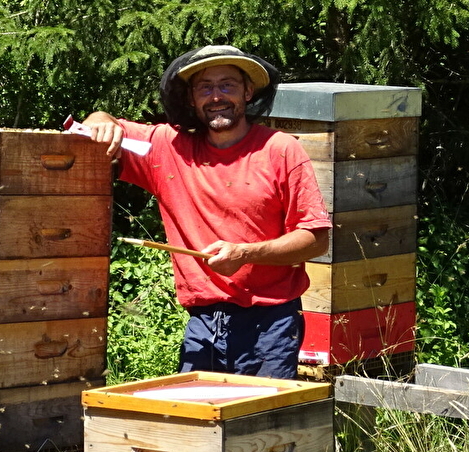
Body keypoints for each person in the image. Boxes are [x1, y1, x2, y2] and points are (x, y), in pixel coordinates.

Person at [79, 44, 331, 378]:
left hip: (270, 324)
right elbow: (98, 125)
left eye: (227, 85)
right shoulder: (168, 147)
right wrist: (99, 121)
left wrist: (245, 253)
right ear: (191, 98)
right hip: (202, 324)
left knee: (259, 427)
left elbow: (315, 239)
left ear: (248, 92)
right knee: (203, 424)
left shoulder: (280, 149)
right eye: (205, 88)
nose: (216, 96)